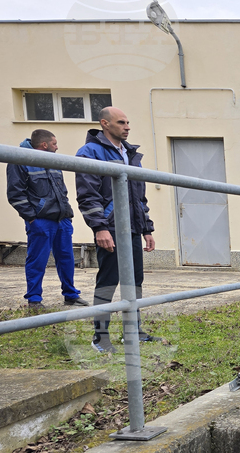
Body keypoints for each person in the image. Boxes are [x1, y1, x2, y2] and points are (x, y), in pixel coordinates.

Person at [75, 107, 155, 354]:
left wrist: (147, 228)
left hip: (132, 227)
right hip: (110, 228)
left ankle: (134, 331)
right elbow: (87, 195)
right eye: (122, 122)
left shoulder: (130, 153)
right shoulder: (90, 152)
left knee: (135, 282)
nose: (127, 127)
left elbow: (139, 197)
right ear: (105, 124)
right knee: (108, 282)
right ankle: (100, 338)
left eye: (128, 122)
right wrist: (100, 228)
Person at [6, 129, 86, 309]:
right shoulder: (20, 160)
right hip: (40, 221)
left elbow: (62, 190)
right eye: (55, 144)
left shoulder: (53, 161)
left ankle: (71, 295)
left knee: (66, 258)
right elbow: (15, 194)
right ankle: (34, 300)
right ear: (44, 145)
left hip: (62, 220)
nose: (57, 147)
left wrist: (67, 214)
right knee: (37, 260)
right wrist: (32, 218)